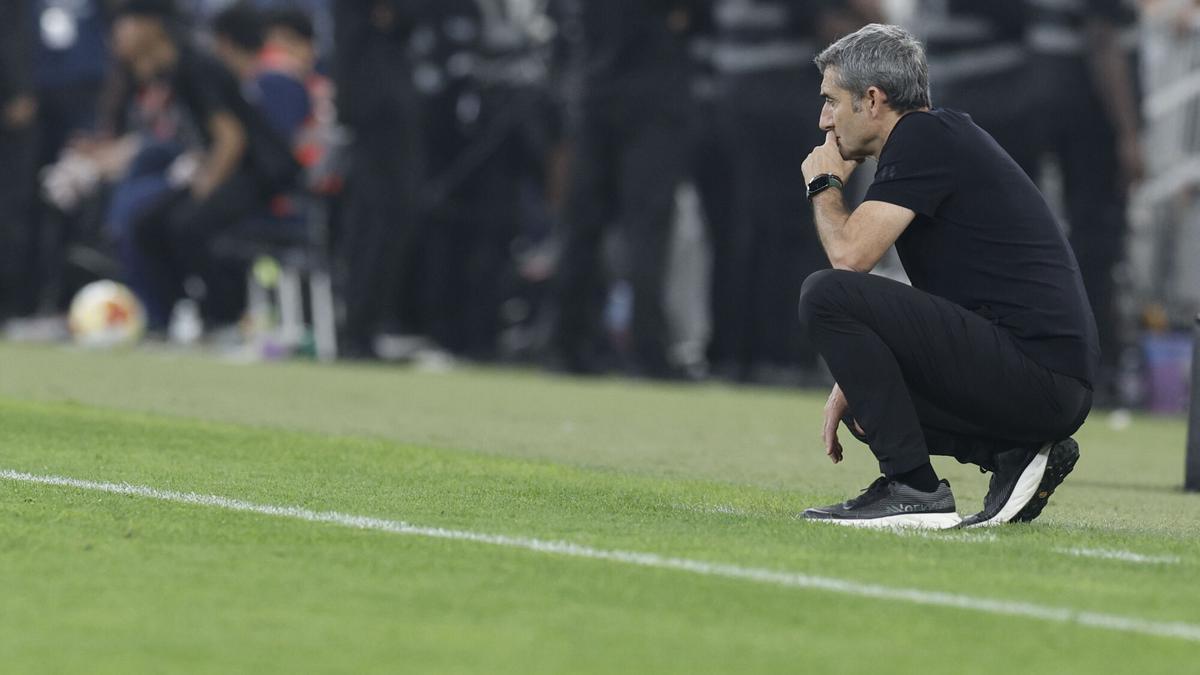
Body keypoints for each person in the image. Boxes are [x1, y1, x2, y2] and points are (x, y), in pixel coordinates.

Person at [796, 24, 1097, 528]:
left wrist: (824, 185)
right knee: (866, 399)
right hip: (1042, 375)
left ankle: (911, 487)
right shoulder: (932, 138)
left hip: (1040, 371)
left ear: (872, 99)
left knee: (825, 293)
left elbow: (849, 260)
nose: (824, 119)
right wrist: (859, 375)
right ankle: (1011, 453)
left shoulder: (923, 136)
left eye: (831, 100)